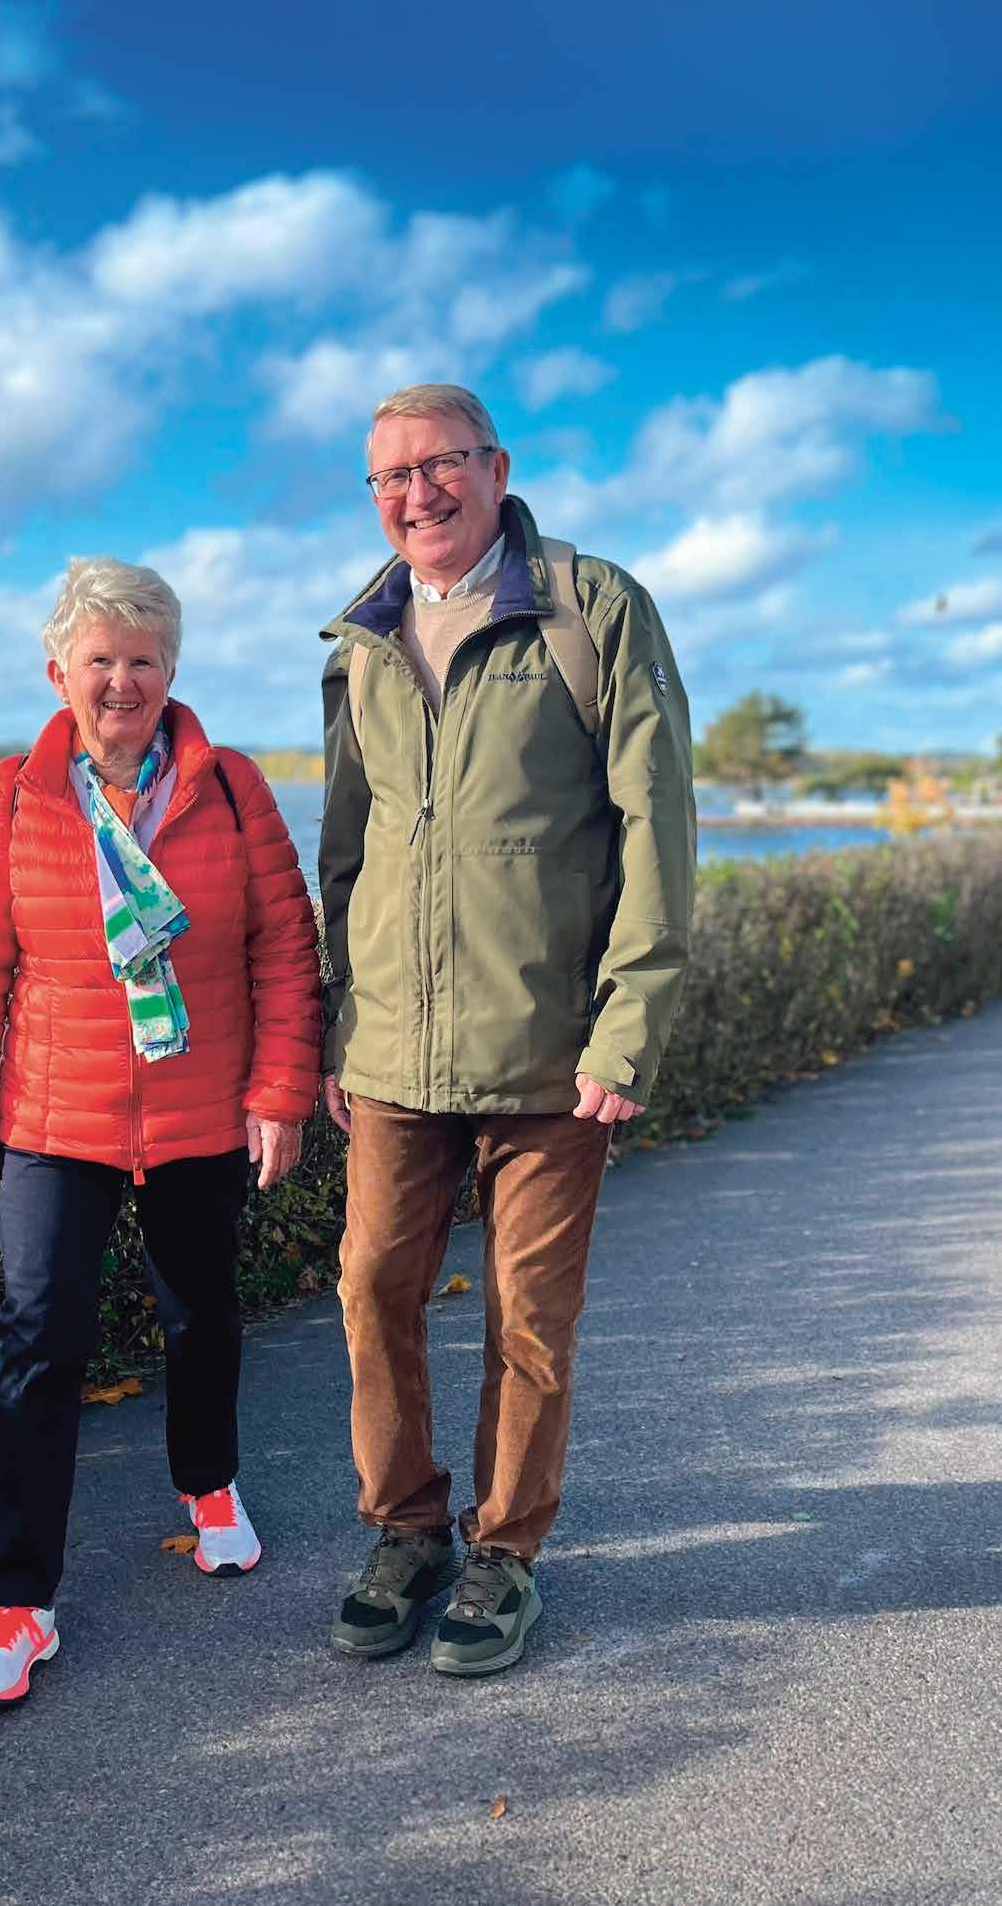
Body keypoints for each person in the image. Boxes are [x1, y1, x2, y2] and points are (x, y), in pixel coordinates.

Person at [319, 384, 695, 1676]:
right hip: (393, 1050)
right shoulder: (361, 641)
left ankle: (505, 1551)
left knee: (528, 1315)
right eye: (390, 476)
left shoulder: (594, 609)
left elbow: (656, 824)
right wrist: (339, 1020)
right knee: (372, 1288)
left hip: (550, 1046)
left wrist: (627, 1023)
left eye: (440, 465)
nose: (416, 494)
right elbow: (348, 850)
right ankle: (407, 1527)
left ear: (497, 467)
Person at [0, 555, 321, 1710]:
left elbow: (283, 947)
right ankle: (17, 1605)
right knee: (37, 1340)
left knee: (201, 1312)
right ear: (58, 671)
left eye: (142, 659)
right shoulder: (12, 795)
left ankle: (208, 1481)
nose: (121, 681)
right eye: (99, 658)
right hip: (55, 1114)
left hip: (202, 1105)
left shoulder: (231, 788)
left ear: (171, 670)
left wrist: (280, 1093)